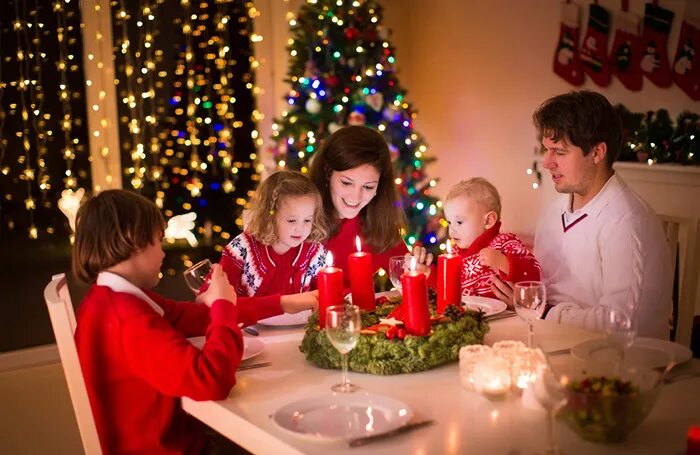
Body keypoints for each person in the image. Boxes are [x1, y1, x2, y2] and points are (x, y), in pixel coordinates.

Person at [71, 190, 302, 453]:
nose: (162, 254)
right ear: (132, 240)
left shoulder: (111, 298)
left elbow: (193, 317)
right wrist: (223, 306)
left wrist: (286, 303)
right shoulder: (126, 318)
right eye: (159, 241)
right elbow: (211, 381)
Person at [493, 90, 671, 338]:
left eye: (560, 152)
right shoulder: (554, 211)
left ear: (597, 153)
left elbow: (621, 323)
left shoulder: (627, 223)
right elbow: (542, 285)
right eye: (546, 149)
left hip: (614, 361)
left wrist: (542, 310)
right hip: (550, 337)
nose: (547, 162)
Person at [308, 125, 432, 285]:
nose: (356, 196)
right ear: (327, 172)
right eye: (346, 183)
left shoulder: (376, 227)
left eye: (368, 187)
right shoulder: (296, 221)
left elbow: (418, 282)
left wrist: (423, 271)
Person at [219, 170, 328, 297]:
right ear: (270, 216)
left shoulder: (314, 251)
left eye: (307, 220)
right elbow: (219, 299)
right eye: (292, 220)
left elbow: (325, 293)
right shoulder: (241, 249)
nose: (300, 228)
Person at [443, 177, 540, 299]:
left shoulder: (505, 243)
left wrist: (504, 262)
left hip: (506, 317)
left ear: (488, 220)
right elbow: (443, 290)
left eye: (459, 222)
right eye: (449, 222)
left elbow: (534, 275)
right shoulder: (454, 255)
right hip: (469, 317)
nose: (452, 229)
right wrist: (428, 272)